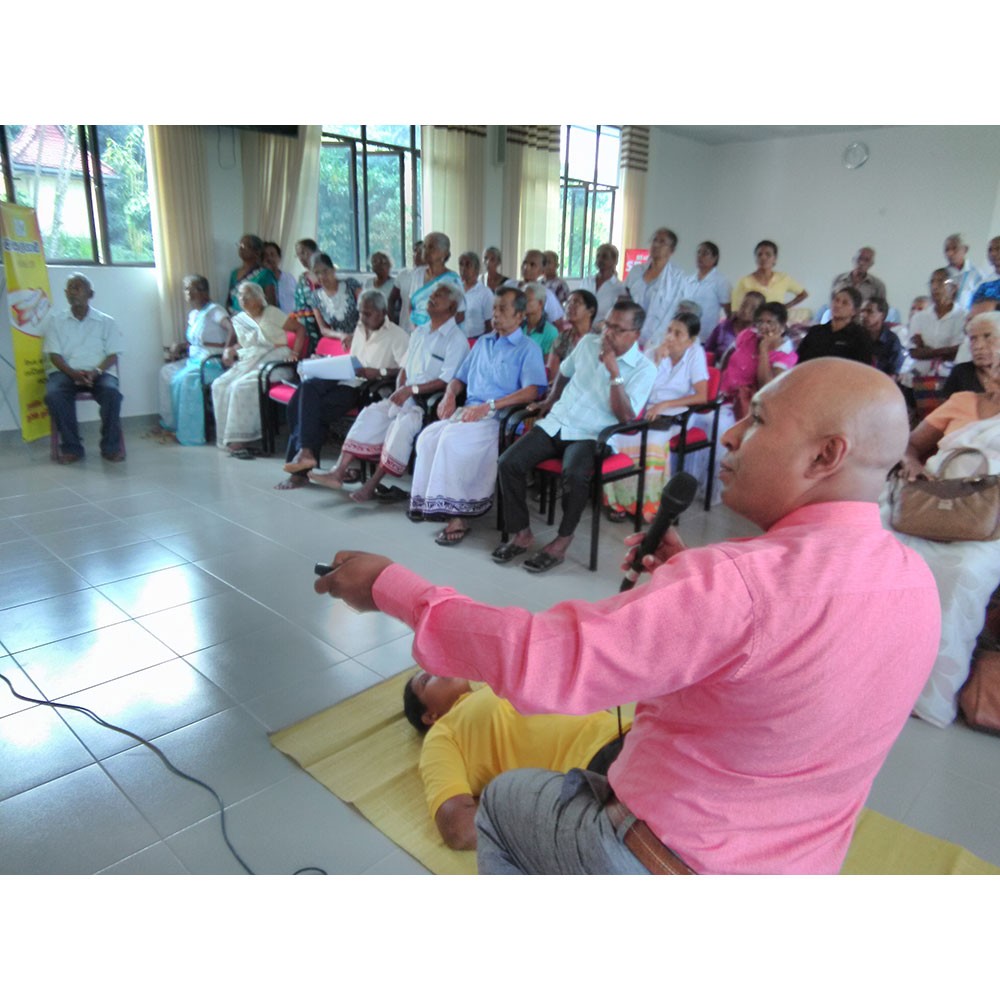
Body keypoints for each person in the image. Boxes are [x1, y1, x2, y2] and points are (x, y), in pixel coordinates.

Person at [316, 358, 941, 875]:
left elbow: (547, 661)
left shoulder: (736, 585)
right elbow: (787, 659)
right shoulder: (917, 582)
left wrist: (391, 589)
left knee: (504, 801)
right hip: (799, 868)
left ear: (826, 455)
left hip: (674, 862)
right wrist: (692, 586)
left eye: (758, 420)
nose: (730, 435)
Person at [885, 315, 1000, 726]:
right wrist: (914, 466)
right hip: (931, 504)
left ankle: (924, 691)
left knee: (964, 572)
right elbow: (910, 447)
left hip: (988, 526)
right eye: (975, 339)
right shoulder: (961, 400)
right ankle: (864, 664)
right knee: (878, 545)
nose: (983, 348)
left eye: (990, 339)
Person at [493, 300, 656, 572]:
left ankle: (562, 542)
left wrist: (614, 372)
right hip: (559, 422)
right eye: (607, 325)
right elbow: (564, 372)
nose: (608, 333)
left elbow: (626, 417)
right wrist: (550, 401)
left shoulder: (644, 368)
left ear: (635, 334)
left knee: (575, 475)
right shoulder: (589, 343)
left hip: (594, 434)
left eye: (618, 329)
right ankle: (522, 533)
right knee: (508, 463)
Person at [404, 671, 627, 850]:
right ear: (429, 716)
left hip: (631, 731)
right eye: (426, 679)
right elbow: (458, 830)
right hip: (594, 768)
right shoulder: (441, 735)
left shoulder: (495, 684)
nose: (436, 669)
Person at [407, 287, 547, 546]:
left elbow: (532, 391)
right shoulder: (483, 342)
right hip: (470, 412)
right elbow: (458, 378)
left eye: (502, 309)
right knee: (427, 437)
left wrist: (490, 406)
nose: (495, 314)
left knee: (450, 440)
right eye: (494, 308)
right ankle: (431, 503)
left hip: (499, 419)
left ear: (519, 316)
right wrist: (449, 395)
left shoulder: (528, 349)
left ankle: (458, 516)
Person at [305, 284, 469, 500]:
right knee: (370, 414)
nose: (432, 296)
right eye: (433, 293)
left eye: (439, 295)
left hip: (425, 403)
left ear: (453, 307)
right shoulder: (420, 332)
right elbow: (405, 367)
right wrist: (401, 387)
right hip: (405, 395)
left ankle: (371, 485)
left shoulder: (456, 340)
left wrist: (411, 390)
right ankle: (339, 471)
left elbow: (447, 380)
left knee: (400, 428)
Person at [275, 289, 409, 488]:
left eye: (368, 314)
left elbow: (406, 369)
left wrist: (378, 372)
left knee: (306, 408)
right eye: (360, 313)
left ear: (383, 313)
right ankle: (305, 454)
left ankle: (302, 465)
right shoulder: (360, 328)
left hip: (363, 386)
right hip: (343, 374)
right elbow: (353, 357)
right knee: (306, 389)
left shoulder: (398, 336)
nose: (362, 318)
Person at [603, 311, 708, 524]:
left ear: (690, 340)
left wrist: (665, 405)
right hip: (648, 411)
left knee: (652, 443)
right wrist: (658, 362)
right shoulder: (653, 351)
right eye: (669, 330)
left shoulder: (695, 354)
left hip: (678, 414)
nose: (670, 337)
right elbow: (640, 387)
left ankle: (648, 506)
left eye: (678, 334)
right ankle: (618, 502)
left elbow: (702, 396)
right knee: (615, 437)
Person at [42, 273, 125, 465]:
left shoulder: (106, 321)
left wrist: (96, 372)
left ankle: (111, 447)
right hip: (66, 373)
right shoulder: (55, 321)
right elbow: (54, 355)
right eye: (70, 288)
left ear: (90, 294)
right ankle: (72, 448)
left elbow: (113, 354)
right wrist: (73, 374)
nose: (73, 292)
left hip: (99, 372)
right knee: (54, 394)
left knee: (112, 394)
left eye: (78, 288)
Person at [211, 282, 303, 454]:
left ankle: (242, 438)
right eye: (240, 295)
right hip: (251, 358)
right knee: (220, 384)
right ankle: (226, 435)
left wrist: (295, 353)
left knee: (240, 387)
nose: (242, 299)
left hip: (275, 359)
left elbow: (300, 329)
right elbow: (245, 343)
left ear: (259, 298)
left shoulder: (272, 313)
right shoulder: (240, 319)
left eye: (247, 295)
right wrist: (230, 350)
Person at [158, 275, 233, 446]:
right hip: (194, 358)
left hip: (212, 361)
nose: (189, 293)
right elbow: (196, 340)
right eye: (186, 289)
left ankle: (191, 432)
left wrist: (227, 351)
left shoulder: (215, 310)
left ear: (205, 291)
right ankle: (172, 424)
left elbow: (232, 329)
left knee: (186, 380)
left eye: (194, 289)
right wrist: (180, 346)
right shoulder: (193, 314)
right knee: (166, 372)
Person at [624, 227, 688, 354]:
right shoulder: (637, 271)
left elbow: (679, 311)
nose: (656, 245)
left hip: (659, 339)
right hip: (630, 334)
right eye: (654, 240)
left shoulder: (677, 277)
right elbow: (625, 298)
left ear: (671, 250)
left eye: (662, 242)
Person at [906, 269, 967, 381]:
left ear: (953, 287)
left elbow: (958, 352)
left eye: (940, 282)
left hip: (950, 375)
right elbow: (914, 352)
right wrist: (944, 351)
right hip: (921, 376)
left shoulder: (963, 317)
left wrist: (926, 350)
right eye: (932, 282)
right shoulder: (919, 317)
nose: (934, 287)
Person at [796, 287, 871, 365]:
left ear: (854, 311)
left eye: (845, 303)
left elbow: (863, 367)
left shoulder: (860, 336)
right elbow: (799, 360)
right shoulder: (816, 331)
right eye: (836, 300)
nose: (838, 305)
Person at [730, 239, 808, 312]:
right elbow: (735, 310)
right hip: (753, 321)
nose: (763, 257)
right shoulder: (744, 282)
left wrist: (784, 307)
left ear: (775, 259)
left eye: (768, 254)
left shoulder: (783, 278)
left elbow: (803, 294)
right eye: (759, 255)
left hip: (776, 320)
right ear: (755, 258)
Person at [406, 232, 463, 331]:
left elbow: (460, 314)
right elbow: (411, 305)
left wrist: (435, 330)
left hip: (442, 333)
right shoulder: (417, 274)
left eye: (431, 247)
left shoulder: (452, 279)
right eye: (424, 247)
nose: (425, 251)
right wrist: (416, 328)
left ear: (444, 253)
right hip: (417, 331)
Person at [310, 252, 362, 349]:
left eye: (325, 271)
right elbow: (323, 329)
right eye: (317, 273)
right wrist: (341, 336)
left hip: (362, 335)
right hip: (340, 341)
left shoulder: (351, 285)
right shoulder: (315, 297)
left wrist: (355, 336)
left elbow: (367, 314)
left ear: (333, 269)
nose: (321, 276)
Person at [943, 310, 1000, 395]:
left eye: (987, 336)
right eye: (973, 339)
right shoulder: (961, 372)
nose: (978, 346)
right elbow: (946, 402)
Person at [547, 289, 598, 382]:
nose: (569, 306)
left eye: (576, 302)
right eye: (567, 303)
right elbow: (552, 374)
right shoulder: (562, 338)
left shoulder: (598, 340)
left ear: (591, 311)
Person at [685, 241, 732, 339]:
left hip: (707, 336)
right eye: (698, 252)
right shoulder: (688, 280)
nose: (700, 256)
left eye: (705, 253)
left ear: (715, 258)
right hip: (686, 334)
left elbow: (729, 311)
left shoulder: (721, 281)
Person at [505, 250, 564, 324]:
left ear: (542, 271)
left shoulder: (546, 294)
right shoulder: (509, 285)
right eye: (524, 263)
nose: (526, 267)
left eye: (532, 265)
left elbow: (557, 322)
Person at [703, 290, 764, 360]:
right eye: (744, 305)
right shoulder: (723, 327)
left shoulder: (758, 335)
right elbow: (707, 351)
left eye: (753, 309)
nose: (746, 310)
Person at [227, 233, 277, 313]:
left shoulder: (265, 274)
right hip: (235, 317)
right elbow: (229, 300)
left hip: (254, 317)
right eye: (239, 245)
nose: (240, 248)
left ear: (256, 252)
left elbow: (271, 304)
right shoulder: (234, 273)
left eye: (244, 246)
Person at [578, 243, 624, 327]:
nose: (600, 259)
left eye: (604, 257)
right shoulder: (587, 281)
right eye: (598, 256)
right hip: (581, 327)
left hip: (605, 330)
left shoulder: (619, 288)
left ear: (614, 261)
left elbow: (618, 315)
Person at [859, 296, 905, 378]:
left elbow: (893, 373)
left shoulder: (891, 341)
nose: (863, 315)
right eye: (862, 311)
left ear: (882, 315)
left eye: (870, 311)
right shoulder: (855, 335)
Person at [290, 238, 321, 352]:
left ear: (315, 252)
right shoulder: (302, 278)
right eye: (299, 255)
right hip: (306, 328)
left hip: (323, 325)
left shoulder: (325, 275)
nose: (302, 258)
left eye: (304, 252)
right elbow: (298, 306)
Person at [456, 251, 493, 339]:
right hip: (456, 339)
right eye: (461, 264)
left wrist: (480, 343)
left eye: (468, 265)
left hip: (476, 340)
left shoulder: (485, 293)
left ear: (476, 269)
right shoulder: (455, 290)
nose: (463, 268)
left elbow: (490, 326)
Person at [944, 232, 983, 311]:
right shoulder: (942, 275)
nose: (950, 253)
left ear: (965, 249)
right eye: (947, 249)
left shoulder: (978, 275)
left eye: (954, 248)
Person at [363, 251, 401, 326]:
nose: (378, 265)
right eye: (374, 262)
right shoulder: (368, 283)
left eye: (382, 262)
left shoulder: (395, 283)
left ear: (389, 265)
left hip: (390, 323)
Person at [522, 282, 558, 357]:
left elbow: (547, 362)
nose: (523, 303)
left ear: (540, 303)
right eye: (522, 299)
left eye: (528, 300)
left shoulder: (550, 332)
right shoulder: (517, 326)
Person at [397, 240, 425, 332]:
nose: (416, 255)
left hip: (423, 326)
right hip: (404, 325)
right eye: (415, 251)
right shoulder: (403, 274)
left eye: (420, 251)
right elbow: (393, 299)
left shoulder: (433, 277)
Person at [263, 241, 297, 313]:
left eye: (272, 254)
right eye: (265, 255)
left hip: (290, 318)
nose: (269, 258)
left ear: (279, 257)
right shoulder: (259, 279)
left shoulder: (289, 278)